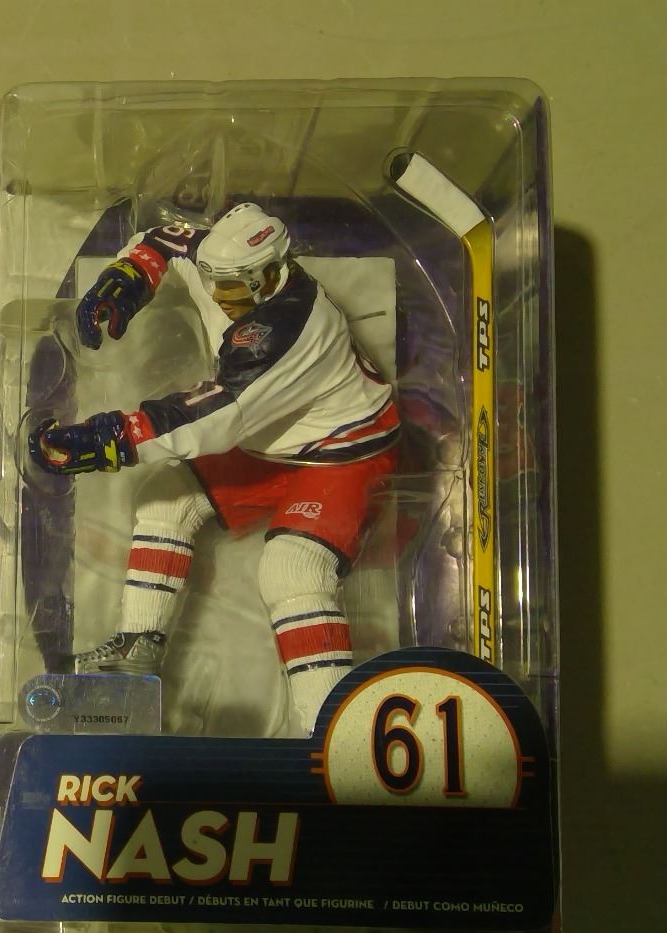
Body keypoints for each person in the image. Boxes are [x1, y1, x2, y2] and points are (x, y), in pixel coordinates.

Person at [28, 202, 400, 735]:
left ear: (270, 275)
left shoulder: (293, 329)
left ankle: (331, 731)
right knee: (167, 498)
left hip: (346, 449)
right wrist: (127, 277)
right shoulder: (230, 266)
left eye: (230, 286)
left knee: (292, 570)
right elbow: (168, 240)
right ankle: (136, 652)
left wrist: (108, 439)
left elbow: (213, 417)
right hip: (277, 434)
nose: (217, 293)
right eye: (213, 280)